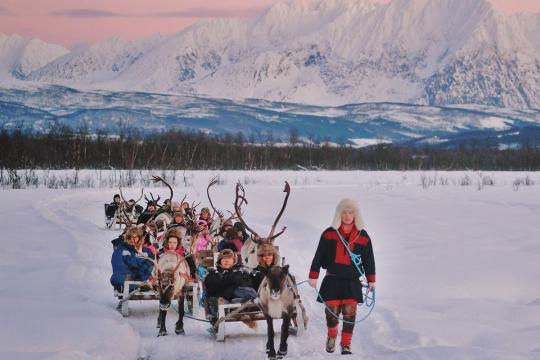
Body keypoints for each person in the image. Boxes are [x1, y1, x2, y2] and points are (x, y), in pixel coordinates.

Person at [308, 198, 376, 355]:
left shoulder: (363, 236)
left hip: (352, 283)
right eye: (344, 212)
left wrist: (372, 279)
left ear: (355, 215)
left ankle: (346, 344)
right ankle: (332, 335)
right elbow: (319, 255)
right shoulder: (329, 233)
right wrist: (313, 275)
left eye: (350, 212)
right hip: (332, 280)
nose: (347, 216)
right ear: (339, 214)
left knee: (349, 314)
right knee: (331, 314)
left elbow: (369, 259)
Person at [203, 249, 257, 326]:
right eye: (224, 259)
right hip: (224, 298)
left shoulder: (240, 271)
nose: (227, 260)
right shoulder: (214, 273)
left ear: (234, 260)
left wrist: (231, 284)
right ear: (220, 261)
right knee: (217, 298)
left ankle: (241, 304)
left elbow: (247, 283)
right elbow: (211, 288)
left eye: (229, 259)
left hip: (240, 294)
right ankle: (222, 310)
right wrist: (228, 283)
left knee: (248, 291)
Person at [110, 226, 155, 293]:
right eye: (131, 237)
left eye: (135, 237)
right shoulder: (121, 249)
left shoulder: (146, 251)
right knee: (117, 277)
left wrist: (140, 274)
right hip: (125, 275)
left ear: (139, 238)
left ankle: (136, 286)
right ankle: (135, 286)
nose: (132, 239)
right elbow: (118, 263)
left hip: (141, 277)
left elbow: (149, 263)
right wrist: (128, 274)